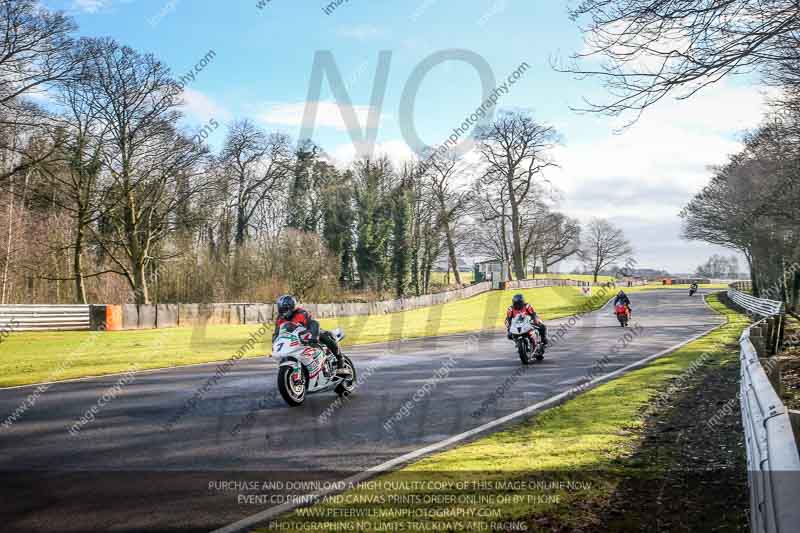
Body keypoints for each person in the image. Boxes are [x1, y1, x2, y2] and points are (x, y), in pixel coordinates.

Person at [273, 295, 351, 376]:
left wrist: (313, 336)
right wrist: (275, 344)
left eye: (285, 308)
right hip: (295, 339)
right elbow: (277, 333)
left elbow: (314, 323)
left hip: (310, 333)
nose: (283, 311)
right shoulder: (280, 319)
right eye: (281, 308)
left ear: (291, 307)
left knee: (325, 336)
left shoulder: (302, 313)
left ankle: (340, 362)